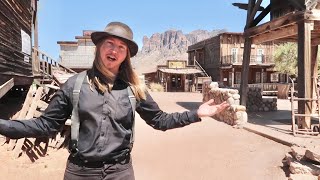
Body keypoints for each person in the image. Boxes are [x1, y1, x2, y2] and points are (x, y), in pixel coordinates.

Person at [0, 21, 229, 180]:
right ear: (99, 47)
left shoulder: (134, 89)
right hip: (80, 172)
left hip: (120, 173)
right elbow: (45, 125)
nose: (115, 50)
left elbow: (159, 120)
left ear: (126, 55)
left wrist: (195, 114)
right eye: (110, 43)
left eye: (121, 47)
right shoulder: (75, 85)